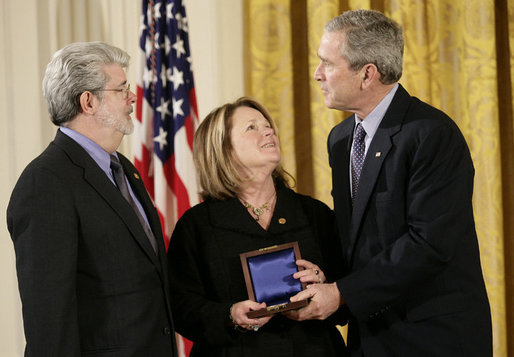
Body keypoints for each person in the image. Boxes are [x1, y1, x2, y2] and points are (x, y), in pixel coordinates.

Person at [287, 9, 493, 356]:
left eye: (328, 63)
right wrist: (326, 279)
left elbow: (428, 244)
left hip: (432, 337)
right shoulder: (340, 139)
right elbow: (357, 239)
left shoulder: (432, 134)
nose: (317, 74)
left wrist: (341, 293)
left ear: (367, 74)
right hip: (370, 337)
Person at [7, 42, 177, 356]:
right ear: (88, 101)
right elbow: (49, 319)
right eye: (122, 89)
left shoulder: (123, 169)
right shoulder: (45, 182)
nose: (132, 98)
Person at [167, 97, 347, 356]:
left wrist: (326, 285)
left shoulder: (314, 213)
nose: (268, 130)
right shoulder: (197, 225)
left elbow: (354, 291)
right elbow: (180, 306)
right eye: (251, 127)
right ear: (223, 148)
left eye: (267, 125)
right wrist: (229, 315)